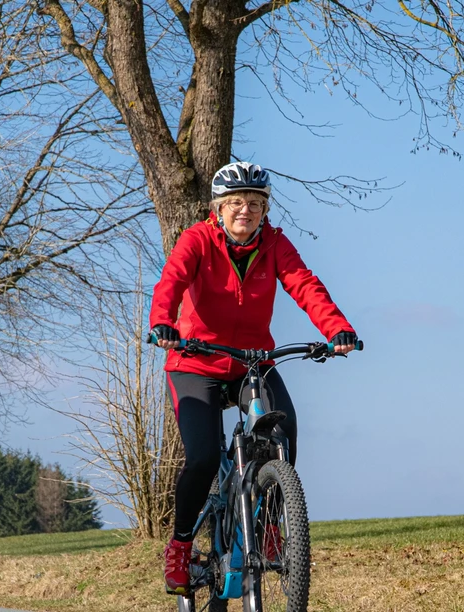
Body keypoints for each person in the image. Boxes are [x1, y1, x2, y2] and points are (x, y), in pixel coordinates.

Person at [149, 161, 359, 594]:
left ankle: (269, 525)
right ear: (219, 209)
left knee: (284, 430)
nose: (246, 210)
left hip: (252, 362)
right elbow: (171, 281)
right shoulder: (197, 240)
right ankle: (182, 545)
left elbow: (304, 284)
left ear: (265, 210)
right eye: (236, 203)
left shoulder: (275, 244)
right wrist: (164, 323)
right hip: (196, 361)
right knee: (203, 457)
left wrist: (336, 328)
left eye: (255, 203)